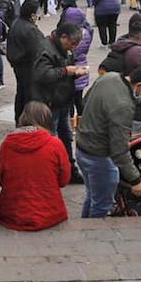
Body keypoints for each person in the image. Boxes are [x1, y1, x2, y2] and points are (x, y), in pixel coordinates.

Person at [75, 66, 141, 218]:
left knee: (92, 196)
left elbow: (85, 101)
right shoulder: (124, 105)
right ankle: (93, 235)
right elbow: (119, 150)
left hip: (83, 147)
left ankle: (84, 227)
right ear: (140, 86)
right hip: (99, 156)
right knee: (102, 204)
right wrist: (135, 179)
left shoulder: (109, 77)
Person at [0, 102, 71, 231]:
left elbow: (2, 179)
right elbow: (64, 179)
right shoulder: (55, 144)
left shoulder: (7, 144)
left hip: (11, 214)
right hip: (49, 213)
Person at [31, 22, 88, 179]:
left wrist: (74, 72)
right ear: (63, 37)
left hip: (63, 101)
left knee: (66, 137)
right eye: (72, 43)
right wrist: (65, 71)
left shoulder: (65, 50)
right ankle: (50, 171)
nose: (73, 47)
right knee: (50, 139)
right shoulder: (45, 48)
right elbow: (41, 75)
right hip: (50, 102)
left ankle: (69, 170)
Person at [5, 0, 44, 125]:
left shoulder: (17, 22)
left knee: (21, 92)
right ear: (32, 15)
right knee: (30, 95)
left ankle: (19, 120)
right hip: (28, 67)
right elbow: (39, 50)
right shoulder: (30, 30)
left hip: (18, 65)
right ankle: (28, 122)